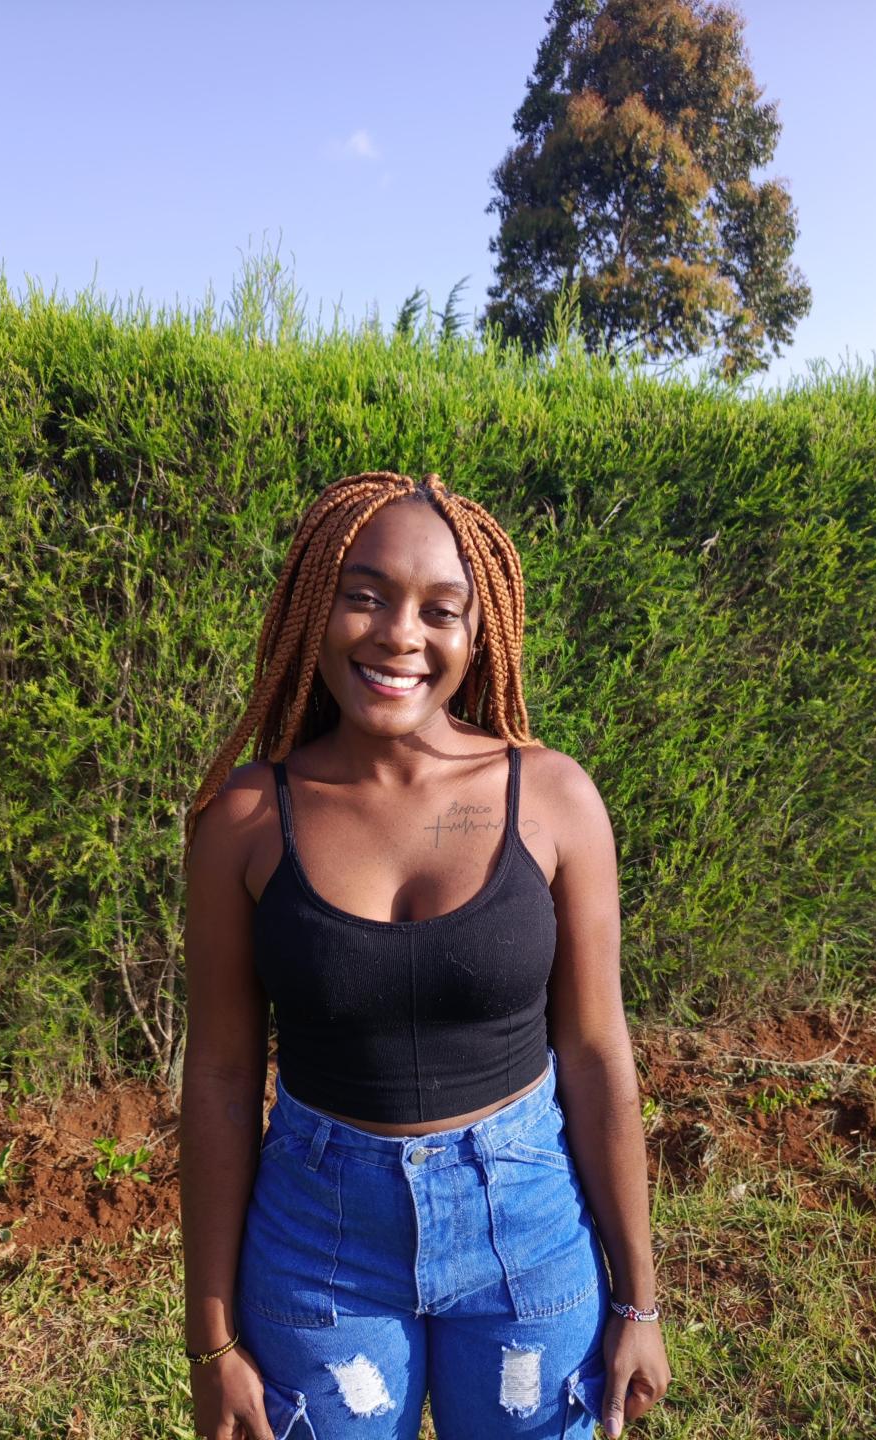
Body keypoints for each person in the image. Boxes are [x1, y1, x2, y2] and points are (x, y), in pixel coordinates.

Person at [179, 471, 671, 1440]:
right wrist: (210, 1341)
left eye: (439, 610)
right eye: (363, 596)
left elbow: (594, 1053)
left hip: (526, 1234)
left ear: (479, 634)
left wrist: (638, 1302)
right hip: (318, 1248)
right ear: (311, 608)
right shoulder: (245, 819)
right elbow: (222, 1077)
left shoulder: (554, 799)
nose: (399, 635)